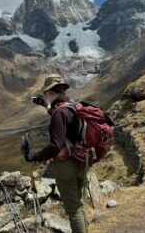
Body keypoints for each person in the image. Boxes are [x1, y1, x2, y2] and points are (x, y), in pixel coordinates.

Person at [25, 74, 88, 233]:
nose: (46, 96)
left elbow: (55, 146)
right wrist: (46, 106)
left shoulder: (59, 113)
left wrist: (35, 156)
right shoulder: (72, 106)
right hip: (81, 161)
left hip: (67, 165)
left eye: (46, 93)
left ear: (50, 92)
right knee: (78, 204)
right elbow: (60, 115)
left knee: (73, 210)